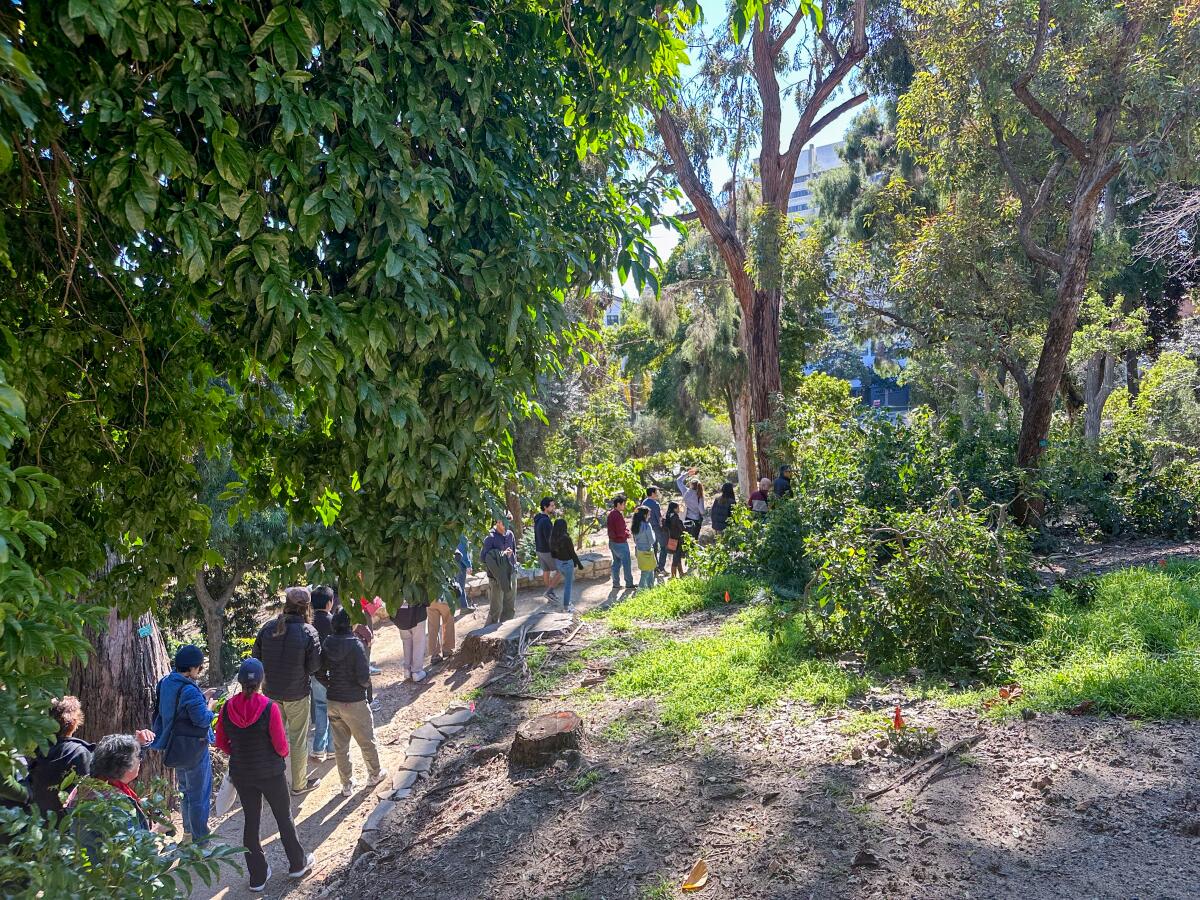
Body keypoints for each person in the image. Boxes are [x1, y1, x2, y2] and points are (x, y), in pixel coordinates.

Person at [215, 658, 314, 892]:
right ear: (261, 681)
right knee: (283, 817)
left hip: (242, 772)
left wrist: (238, 752)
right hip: (271, 772)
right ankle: (297, 864)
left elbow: (221, 742)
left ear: (240, 682)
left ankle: (257, 876)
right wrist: (282, 754)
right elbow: (281, 745)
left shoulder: (227, 708)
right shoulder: (269, 707)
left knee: (251, 821)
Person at [251, 586, 322, 795]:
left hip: (271, 694)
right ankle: (299, 784)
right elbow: (314, 667)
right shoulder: (308, 632)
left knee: (273, 739)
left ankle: (272, 784)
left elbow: (257, 659)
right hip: (297, 694)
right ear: (307, 608)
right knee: (297, 740)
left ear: (286, 604)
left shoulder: (268, 627)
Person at [147, 644, 215, 841]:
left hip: (174, 746)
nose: (199, 671)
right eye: (199, 668)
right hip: (193, 748)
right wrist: (209, 705)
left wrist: (201, 698)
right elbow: (202, 719)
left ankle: (187, 833)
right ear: (192, 668)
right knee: (199, 796)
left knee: (185, 792)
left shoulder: (166, 682)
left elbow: (178, 709)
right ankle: (200, 839)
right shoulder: (189, 690)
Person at [319, 610, 388, 797]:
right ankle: (374, 774)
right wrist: (361, 687)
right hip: (354, 700)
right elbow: (364, 677)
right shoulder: (356, 645)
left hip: (333, 699)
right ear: (350, 625)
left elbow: (318, 670)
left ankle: (346, 784)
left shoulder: (328, 643)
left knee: (340, 746)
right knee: (366, 740)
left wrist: (329, 684)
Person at [28, 696, 93, 817]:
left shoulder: (38, 749)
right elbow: (86, 795)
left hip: (35, 820)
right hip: (65, 825)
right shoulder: (79, 752)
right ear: (74, 721)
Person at [309, 587, 336, 763]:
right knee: (334, 711)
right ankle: (333, 749)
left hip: (315, 673)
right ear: (329, 603)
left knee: (320, 708)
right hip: (332, 674)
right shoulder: (334, 622)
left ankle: (319, 748)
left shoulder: (309, 624)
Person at [480, 518, 517, 624]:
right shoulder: (489, 537)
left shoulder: (510, 534)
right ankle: (487, 635)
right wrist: (502, 554)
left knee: (509, 608)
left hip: (511, 574)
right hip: (496, 578)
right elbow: (483, 558)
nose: (507, 523)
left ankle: (507, 634)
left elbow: (514, 553)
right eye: (504, 521)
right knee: (496, 610)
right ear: (497, 522)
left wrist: (513, 564)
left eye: (509, 520)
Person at [550, 517, 584, 612]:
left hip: (559, 563)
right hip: (567, 563)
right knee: (568, 586)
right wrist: (579, 564)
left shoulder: (552, 538)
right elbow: (572, 553)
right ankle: (566, 607)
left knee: (568, 581)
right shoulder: (566, 538)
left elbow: (553, 554)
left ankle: (563, 602)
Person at [533, 497, 559, 602]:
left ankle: (549, 595)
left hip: (539, 550)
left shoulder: (538, 519)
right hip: (547, 551)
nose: (554, 508)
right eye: (552, 506)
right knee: (561, 570)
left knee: (546, 571)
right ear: (545, 507)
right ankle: (549, 592)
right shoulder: (546, 521)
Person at [607, 495, 635, 591]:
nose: (624, 506)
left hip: (612, 542)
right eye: (623, 504)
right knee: (626, 563)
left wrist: (626, 532)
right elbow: (620, 531)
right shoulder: (617, 515)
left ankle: (616, 584)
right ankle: (629, 583)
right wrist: (627, 534)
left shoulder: (611, 514)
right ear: (618, 504)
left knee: (616, 563)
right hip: (620, 543)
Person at [427, 581, 456, 664]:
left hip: (431, 597)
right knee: (448, 622)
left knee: (432, 626)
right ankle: (447, 649)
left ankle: (434, 654)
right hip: (445, 597)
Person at [639, 485, 666, 574]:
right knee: (663, 547)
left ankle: (654, 567)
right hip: (656, 527)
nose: (657, 494)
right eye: (656, 492)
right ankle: (661, 567)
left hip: (646, 527)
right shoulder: (655, 504)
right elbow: (659, 518)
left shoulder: (644, 502)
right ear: (653, 493)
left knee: (653, 547)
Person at [676, 468, 706, 541]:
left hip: (686, 518)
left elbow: (678, 481)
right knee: (694, 539)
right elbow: (702, 511)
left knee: (687, 538)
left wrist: (687, 473)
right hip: (695, 520)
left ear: (690, 484)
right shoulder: (699, 496)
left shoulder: (685, 492)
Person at [631, 506, 657, 590]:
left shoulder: (635, 525)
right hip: (648, 551)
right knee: (647, 571)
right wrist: (653, 532)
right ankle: (641, 588)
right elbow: (652, 540)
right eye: (648, 514)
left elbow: (635, 540)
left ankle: (651, 588)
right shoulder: (647, 526)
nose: (649, 516)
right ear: (644, 515)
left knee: (647, 570)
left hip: (639, 551)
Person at [664, 500, 687, 578]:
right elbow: (682, 528)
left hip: (671, 539)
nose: (678, 509)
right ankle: (673, 576)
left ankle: (681, 573)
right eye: (677, 507)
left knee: (677, 556)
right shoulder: (675, 517)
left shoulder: (668, 515)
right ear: (674, 509)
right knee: (676, 557)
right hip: (677, 539)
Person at [454, 535, 475, 612]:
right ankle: (463, 607)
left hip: (451, 565)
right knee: (460, 586)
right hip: (459, 566)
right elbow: (463, 553)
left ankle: (456, 607)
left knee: (454, 586)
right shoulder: (461, 536)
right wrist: (468, 566)